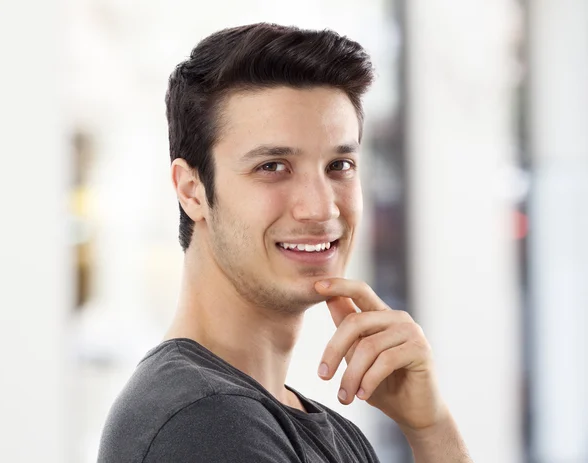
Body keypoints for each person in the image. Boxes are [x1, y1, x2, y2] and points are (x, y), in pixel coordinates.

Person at [97, 22, 472, 463]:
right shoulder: (205, 424)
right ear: (192, 190)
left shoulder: (314, 429)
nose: (320, 208)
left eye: (339, 165)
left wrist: (431, 429)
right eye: (273, 166)